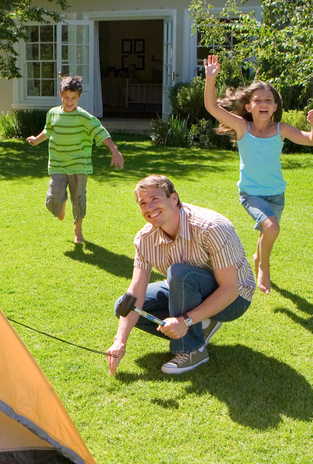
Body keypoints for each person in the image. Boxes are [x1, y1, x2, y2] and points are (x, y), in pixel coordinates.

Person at [106, 175, 255, 375]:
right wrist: (120, 341)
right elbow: (135, 292)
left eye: (155, 199)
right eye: (143, 203)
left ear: (174, 198)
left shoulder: (211, 227)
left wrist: (184, 321)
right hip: (186, 286)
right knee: (123, 306)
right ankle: (200, 325)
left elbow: (230, 288)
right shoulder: (144, 239)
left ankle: (192, 350)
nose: (149, 207)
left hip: (235, 298)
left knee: (180, 274)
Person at [202, 54, 313, 294]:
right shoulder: (242, 126)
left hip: (276, 194)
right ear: (249, 106)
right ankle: (263, 265)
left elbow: (312, 141)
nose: (264, 104)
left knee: (268, 229)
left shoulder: (282, 129)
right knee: (272, 228)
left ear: (275, 107)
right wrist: (210, 79)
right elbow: (211, 106)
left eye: (269, 100)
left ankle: (259, 256)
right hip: (251, 193)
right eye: (258, 100)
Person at [26, 75, 124, 244]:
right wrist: (36, 139)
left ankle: (78, 231)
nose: (69, 101)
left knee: (78, 199)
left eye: (73, 98)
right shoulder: (53, 114)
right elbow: (48, 131)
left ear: (79, 97)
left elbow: (101, 133)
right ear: (60, 95)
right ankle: (61, 203)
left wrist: (114, 151)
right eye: (66, 98)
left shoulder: (84, 117)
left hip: (79, 166)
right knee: (54, 197)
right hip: (58, 164)